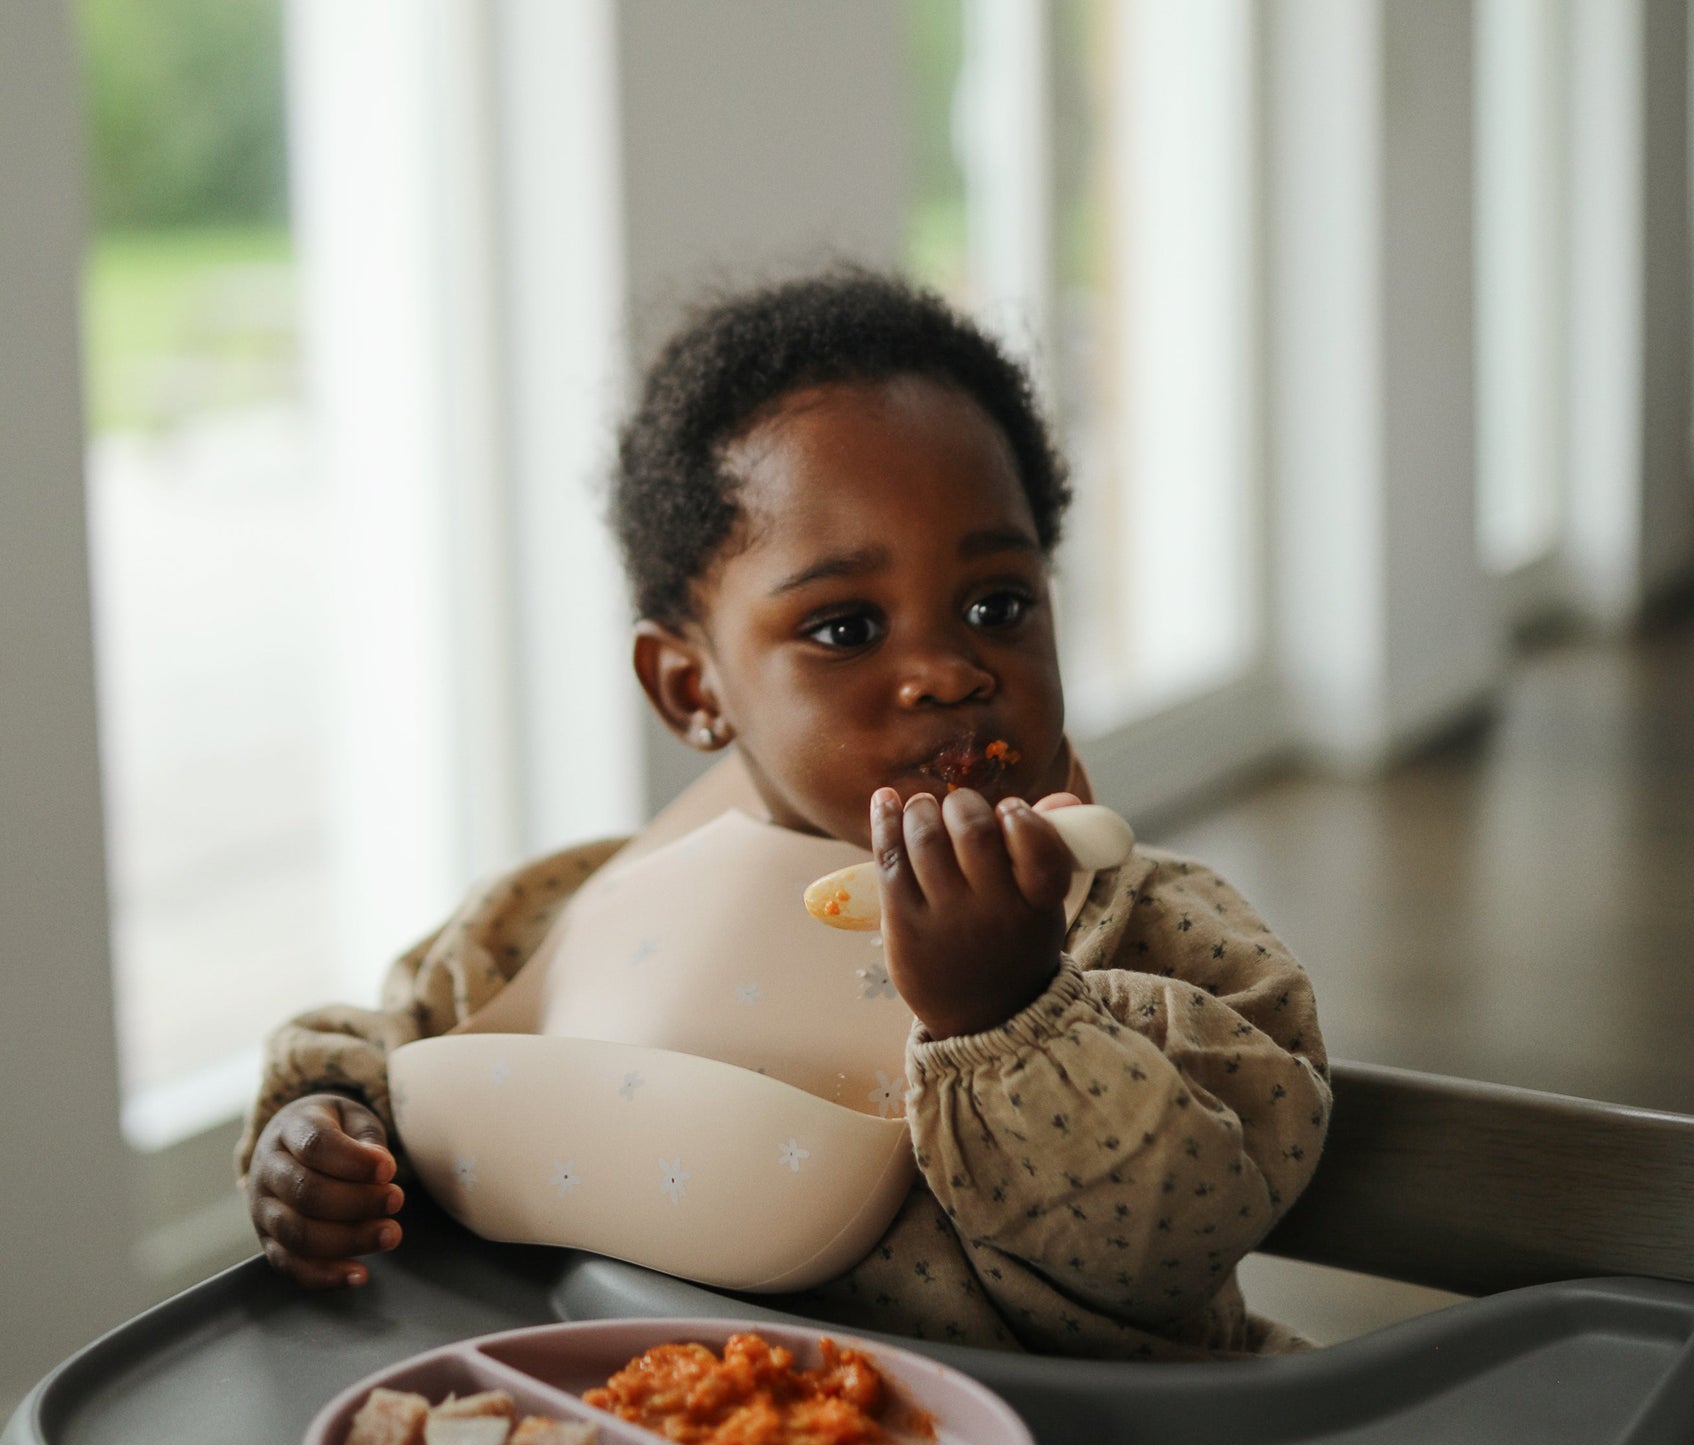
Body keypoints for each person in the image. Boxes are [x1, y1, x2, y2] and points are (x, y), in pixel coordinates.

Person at [237, 270, 1331, 1358]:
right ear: (689, 687)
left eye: (997, 605)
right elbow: (387, 1056)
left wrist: (1009, 1011)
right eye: (848, 628)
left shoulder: (1161, 932)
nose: (946, 672)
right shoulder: (553, 920)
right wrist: (324, 1136)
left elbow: (1173, 1238)